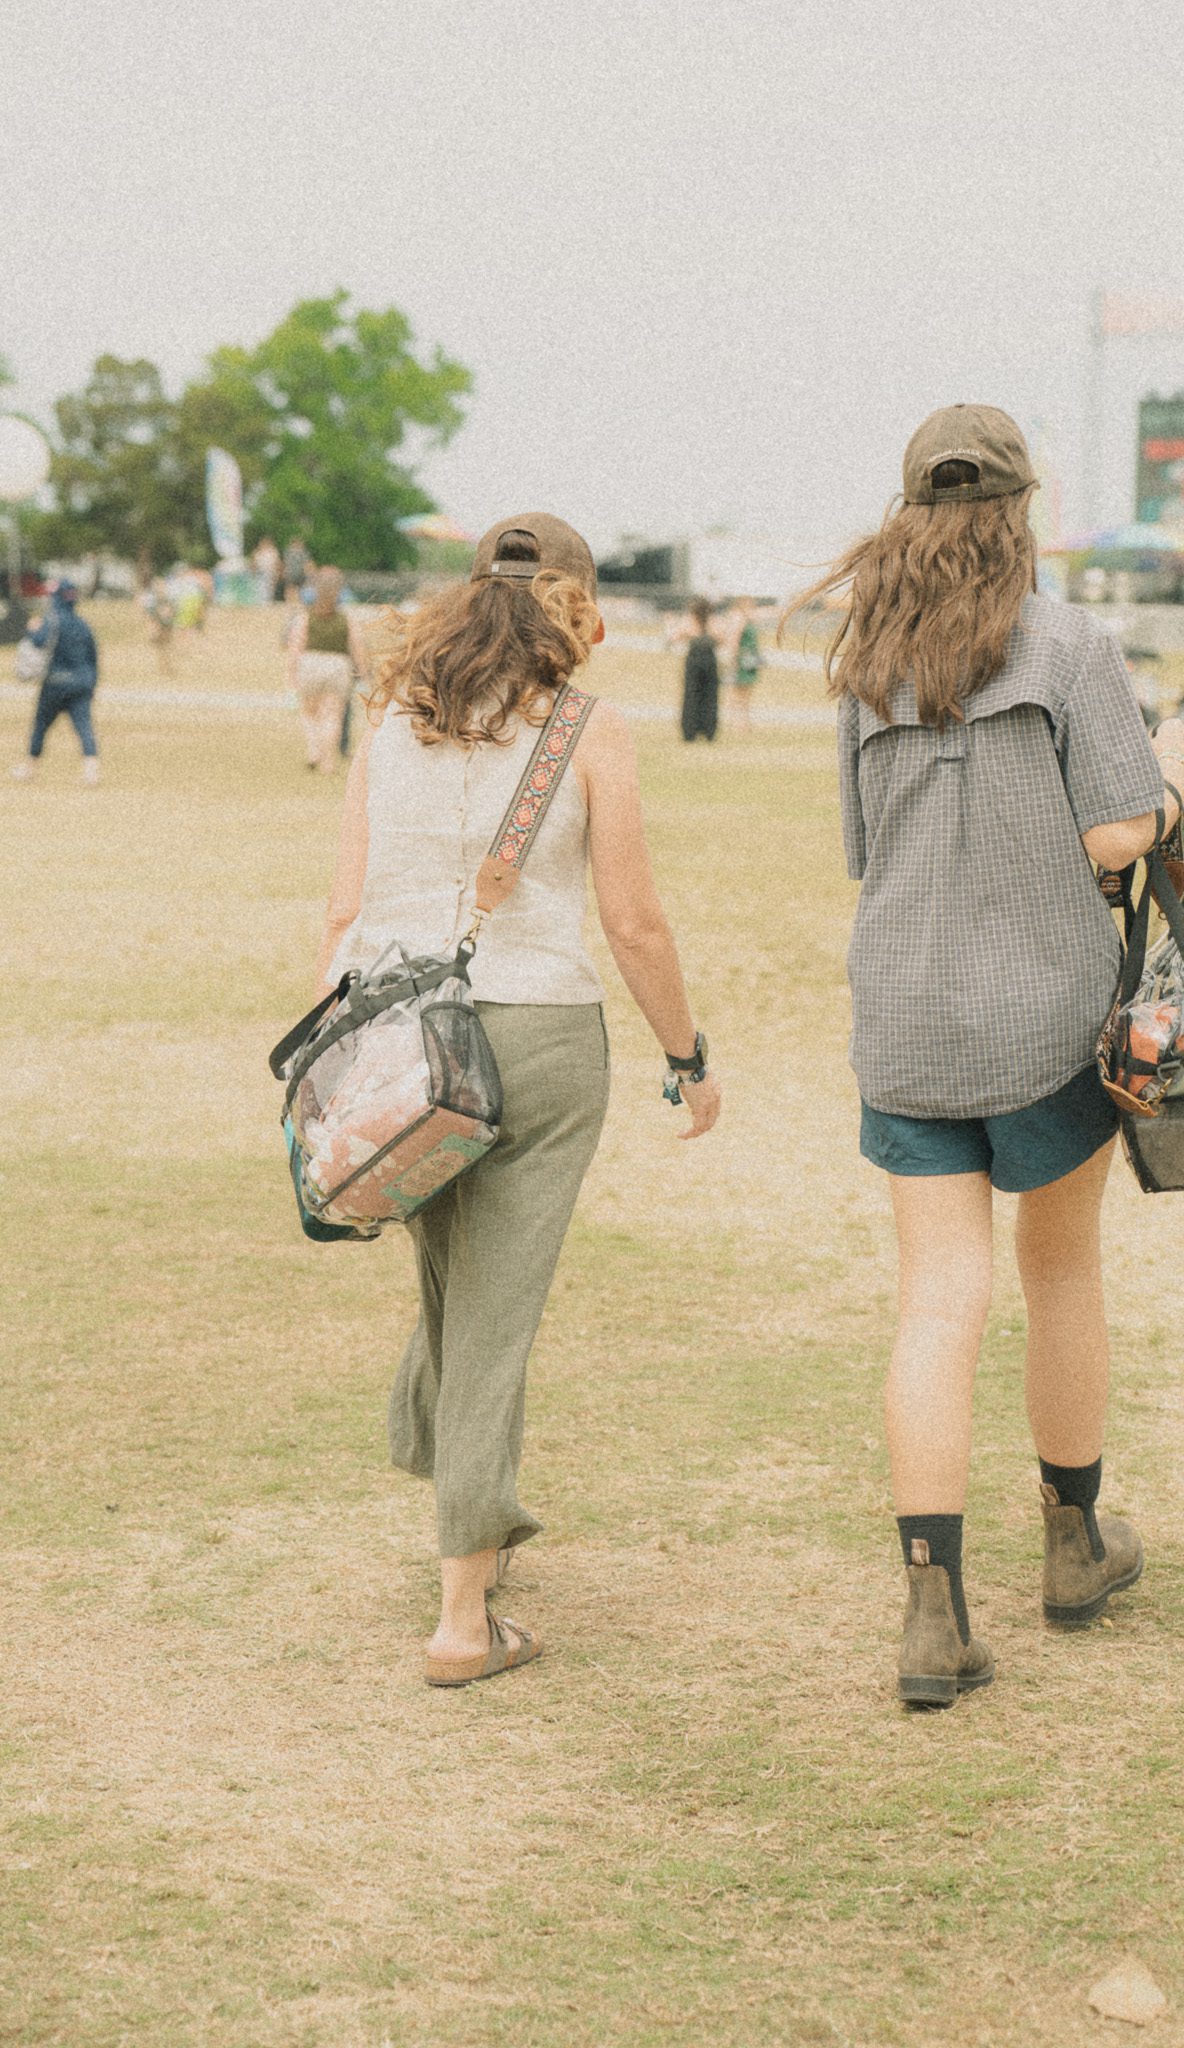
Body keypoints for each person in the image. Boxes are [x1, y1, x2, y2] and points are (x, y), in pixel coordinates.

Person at [788, 404, 1184, 1708]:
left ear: (909, 509)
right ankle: (1073, 1548)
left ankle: (932, 1616)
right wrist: (1176, 772)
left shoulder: (866, 662)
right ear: (1021, 504)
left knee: (935, 1303)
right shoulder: (1070, 644)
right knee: (1060, 1269)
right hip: (1041, 1023)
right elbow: (1118, 834)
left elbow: (869, 854)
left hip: (903, 1019)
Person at [314, 512, 721, 1688]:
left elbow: (344, 909)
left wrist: (334, 1062)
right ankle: (461, 1614)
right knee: (495, 1305)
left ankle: (445, 1470)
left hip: (394, 1030)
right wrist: (686, 1052)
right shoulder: (587, 726)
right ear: (577, 609)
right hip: (537, 1029)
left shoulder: (390, 718)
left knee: (454, 1276)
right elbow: (635, 920)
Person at [11, 580, 101, 786]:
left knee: (41, 725)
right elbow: (93, 657)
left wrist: (31, 629)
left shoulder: (52, 620)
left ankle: (30, 767)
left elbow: (38, 641)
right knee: (84, 726)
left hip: (55, 683)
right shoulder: (83, 624)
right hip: (82, 683)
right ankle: (91, 769)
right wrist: (91, 683)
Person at [287, 566, 367, 776]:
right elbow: (357, 647)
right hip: (338, 666)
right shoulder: (346, 619)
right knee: (332, 717)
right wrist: (364, 673)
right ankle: (328, 762)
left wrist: (291, 674)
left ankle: (314, 749)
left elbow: (296, 646)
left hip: (310, 664)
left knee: (309, 714)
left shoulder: (306, 617)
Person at [680, 597, 720, 742]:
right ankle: (709, 730)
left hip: (694, 658)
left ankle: (690, 731)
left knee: (691, 695)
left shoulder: (689, 620)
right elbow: (721, 637)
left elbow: (677, 635)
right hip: (709, 658)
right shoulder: (713, 620)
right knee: (710, 695)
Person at [725, 595, 763, 734]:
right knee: (738, 691)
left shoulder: (748, 619)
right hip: (743, 657)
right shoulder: (738, 618)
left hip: (751, 657)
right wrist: (734, 659)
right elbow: (734, 639)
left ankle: (744, 723)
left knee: (746, 692)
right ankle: (737, 723)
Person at [252, 536, 282, 605]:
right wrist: (253, 571)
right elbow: (254, 563)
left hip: (271, 573)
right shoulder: (258, 552)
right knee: (260, 588)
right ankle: (261, 602)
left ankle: (268, 602)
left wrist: (278, 573)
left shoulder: (273, 552)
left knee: (270, 589)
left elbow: (277, 563)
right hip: (260, 573)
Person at [283, 536, 311, 605]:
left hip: (299, 573)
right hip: (291, 573)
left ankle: (296, 602)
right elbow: (285, 563)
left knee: (298, 589)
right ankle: (290, 601)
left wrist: (307, 573)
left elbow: (306, 564)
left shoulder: (303, 553)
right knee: (290, 588)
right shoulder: (288, 552)